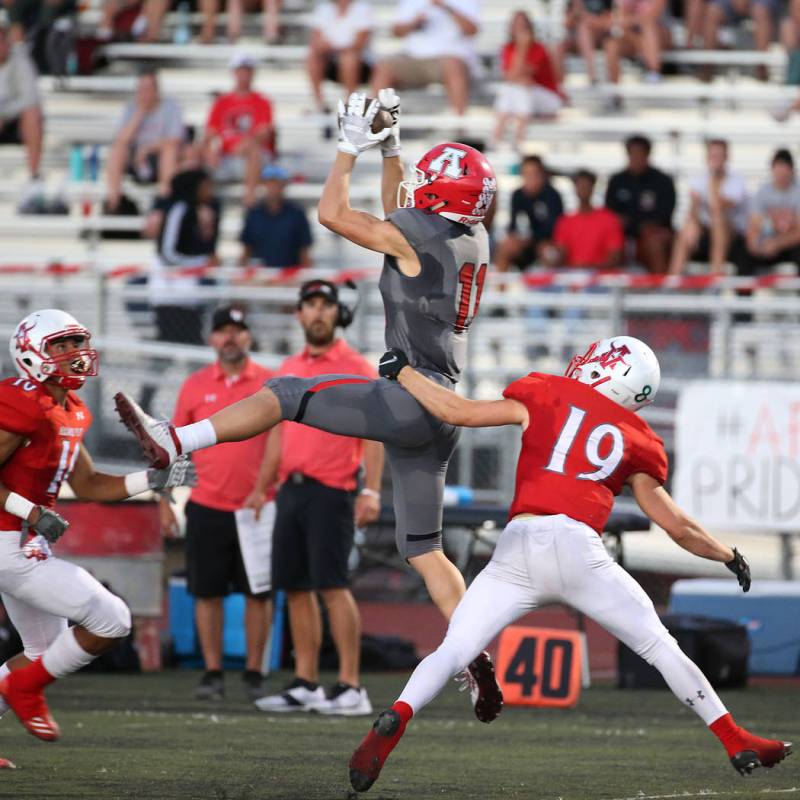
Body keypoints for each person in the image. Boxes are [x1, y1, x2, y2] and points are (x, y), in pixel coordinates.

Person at [114, 89, 505, 723]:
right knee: (426, 549)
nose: (419, 187)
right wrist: (395, 149)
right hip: (443, 407)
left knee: (287, 393)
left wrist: (351, 145)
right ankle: (474, 653)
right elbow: (396, 212)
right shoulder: (471, 240)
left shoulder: (418, 235)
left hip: (406, 394)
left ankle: (177, 441)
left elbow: (333, 213)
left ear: (441, 195)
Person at [348, 336, 793, 793]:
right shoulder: (640, 438)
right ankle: (734, 738)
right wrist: (727, 555)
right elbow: (676, 526)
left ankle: (397, 716)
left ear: (609, 370)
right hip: (579, 548)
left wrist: (402, 371)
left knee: (454, 648)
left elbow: (456, 411)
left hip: (518, 544)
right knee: (660, 647)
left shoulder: (544, 391)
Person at [0, 308, 196, 742]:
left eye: (77, 343)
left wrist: (152, 479)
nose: (75, 353)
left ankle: (22, 683)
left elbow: (88, 483)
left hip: (25, 545)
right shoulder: (21, 401)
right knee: (112, 618)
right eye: (61, 345)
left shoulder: (71, 409)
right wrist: (29, 510)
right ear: (31, 353)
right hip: (7, 544)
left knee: (44, 652)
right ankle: (24, 690)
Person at [251, 280, 383, 715]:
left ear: (336, 313)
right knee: (296, 587)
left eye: (326, 304)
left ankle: (350, 686)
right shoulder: (287, 366)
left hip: (333, 490)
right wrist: (261, 487)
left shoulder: (356, 367)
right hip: (292, 490)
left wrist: (371, 490)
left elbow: (376, 433)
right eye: (311, 304)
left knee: (332, 585)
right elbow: (276, 435)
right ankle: (306, 680)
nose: (319, 312)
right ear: (300, 314)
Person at [160, 305, 275, 701]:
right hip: (207, 503)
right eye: (223, 330)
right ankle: (212, 671)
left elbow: (280, 438)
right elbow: (174, 448)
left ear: (249, 337)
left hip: (258, 507)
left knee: (258, 593)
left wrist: (262, 487)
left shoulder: (269, 382)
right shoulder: (193, 385)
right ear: (211, 338)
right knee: (206, 592)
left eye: (238, 330)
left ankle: (255, 672)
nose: (230, 338)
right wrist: (165, 499)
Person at [370, 0, 480, 117]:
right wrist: (414, 23)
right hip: (412, 58)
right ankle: (378, 125)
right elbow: (396, 32)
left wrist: (447, 7)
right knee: (384, 66)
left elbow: (472, 30)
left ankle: (460, 123)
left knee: (453, 66)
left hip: (450, 57)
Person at [104, 68, 184, 215]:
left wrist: (147, 149)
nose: (144, 93)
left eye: (148, 88)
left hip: (158, 157)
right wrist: (139, 114)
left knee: (170, 152)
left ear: (157, 89)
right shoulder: (131, 108)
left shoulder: (171, 107)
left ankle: (163, 203)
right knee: (117, 150)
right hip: (134, 159)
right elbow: (121, 139)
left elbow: (175, 139)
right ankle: (113, 204)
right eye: (141, 89)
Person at [203, 53, 275, 207]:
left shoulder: (262, 101)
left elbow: (264, 132)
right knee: (193, 153)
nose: (244, 75)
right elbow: (210, 133)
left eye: (247, 70)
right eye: (241, 70)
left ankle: (249, 199)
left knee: (253, 151)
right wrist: (210, 149)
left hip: (252, 158)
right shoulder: (222, 102)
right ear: (234, 73)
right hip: (226, 157)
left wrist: (245, 144)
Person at [669, 139, 748, 276]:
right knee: (686, 229)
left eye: (719, 155)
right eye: (713, 155)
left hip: (733, 234)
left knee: (717, 220)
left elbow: (717, 206)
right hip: (705, 231)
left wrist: (714, 181)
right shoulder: (699, 178)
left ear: (726, 157)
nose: (715, 159)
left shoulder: (737, 180)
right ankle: (673, 279)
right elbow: (694, 207)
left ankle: (715, 275)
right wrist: (692, 224)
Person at [492, 11, 563, 150]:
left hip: (548, 99)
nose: (520, 31)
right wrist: (520, 48)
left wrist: (522, 48)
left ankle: (502, 139)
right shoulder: (508, 48)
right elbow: (512, 77)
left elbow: (520, 76)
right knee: (513, 88)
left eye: (523, 27)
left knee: (517, 88)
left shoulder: (539, 48)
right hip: (525, 101)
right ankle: (509, 140)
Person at [605, 135, 676, 274]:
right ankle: (604, 290)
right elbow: (610, 214)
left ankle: (659, 288)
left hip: (650, 237)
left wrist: (635, 223)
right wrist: (637, 224)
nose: (636, 157)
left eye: (640, 153)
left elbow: (663, 216)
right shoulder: (617, 181)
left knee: (654, 240)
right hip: (621, 237)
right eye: (632, 153)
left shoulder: (662, 181)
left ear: (648, 154)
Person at [0, 25, 45, 214]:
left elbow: (30, 98)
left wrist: (4, 113)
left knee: (32, 115)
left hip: (14, 124)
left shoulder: (21, 60)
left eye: (2, 40)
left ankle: (33, 175)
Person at [494, 155, 563, 272]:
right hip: (524, 243)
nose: (530, 178)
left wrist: (531, 239)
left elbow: (554, 227)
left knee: (549, 252)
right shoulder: (518, 195)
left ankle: (548, 286)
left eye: (534, 174)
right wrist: (515, 239)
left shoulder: (552, 195)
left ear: (542, 175)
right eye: (526, 174)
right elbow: (513, 225)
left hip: (546, 243)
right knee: (505, 247)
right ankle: (500, 286)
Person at [544, 170, 624, 269]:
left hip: (601, 276)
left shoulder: (609, 219)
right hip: (572, 277)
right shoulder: (565, 222)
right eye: (580, 185)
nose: (583, 188)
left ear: (593, 187)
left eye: (586, 185)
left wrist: (588, 267)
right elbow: (560, 253)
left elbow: (615, 256)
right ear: (575, 188)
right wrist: (550, 255)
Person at [306, 0, 375, 115]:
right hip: (332, 60)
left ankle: (351, 104)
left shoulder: (362, 8)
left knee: (348, 59)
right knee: (313, 57)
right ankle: (320, 105)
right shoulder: (324, 9)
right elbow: (316, 41)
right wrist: (331, 47)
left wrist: (333, 47)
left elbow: (359, 43)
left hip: (360, 63)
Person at [239, 164, 313, 268]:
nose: (273, 187)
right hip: (259, 277)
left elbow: (304, 252)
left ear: (284, 185)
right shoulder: (254, 214)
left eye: (277, 183)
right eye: (270, 183)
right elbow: (246, 250)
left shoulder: (297, 214)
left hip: (289, 277)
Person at [742, 148, 800, 273]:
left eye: (785, 171)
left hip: (789, 245)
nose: (781, 175)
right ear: (772, 169)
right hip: (767, 243)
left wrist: (778, 243)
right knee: (742, 254)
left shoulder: (797, 191)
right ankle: (743, 291)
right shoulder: (762, 192)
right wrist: (756, 245)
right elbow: (753, 227)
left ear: (792, 171)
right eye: (778, 170)